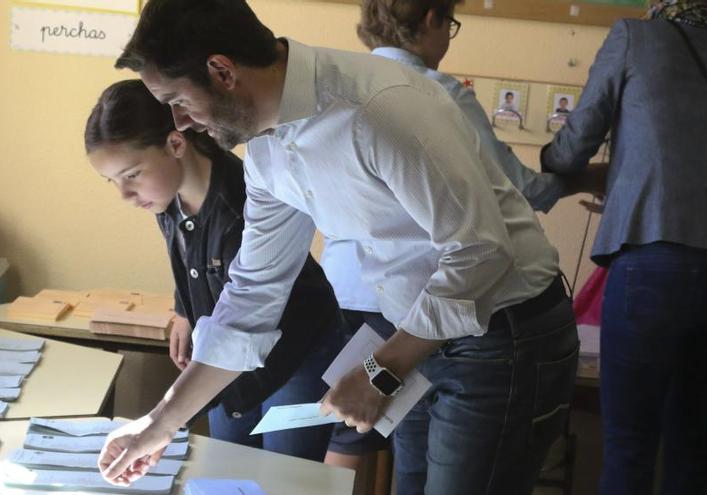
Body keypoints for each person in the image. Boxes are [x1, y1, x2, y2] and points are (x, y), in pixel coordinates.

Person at [96, 1, 579, 494]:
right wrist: (157, 424)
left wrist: (382, 370)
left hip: (505, 334)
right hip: (417, 334)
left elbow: (481, 253)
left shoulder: (375, 106)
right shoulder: (266, 149)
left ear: (222, 71)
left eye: (178, 101)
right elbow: (251, 297)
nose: (180, 123)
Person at [321, 0, 605, 477]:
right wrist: (588, 178)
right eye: (450, 24)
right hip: (450, 313)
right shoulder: (436, 91)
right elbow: (519, 187)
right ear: (432, 18)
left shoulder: (343, 93)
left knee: (384, 455)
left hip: (365, 301)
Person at [541, 1, 707, 494]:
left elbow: (574, 145)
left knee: (630, 443)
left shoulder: (634, 38)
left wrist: (546, 163)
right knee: (693, 438)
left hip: (655, 262)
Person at [84, 79, 342, 461]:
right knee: (228, 467)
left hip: (298, 357)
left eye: (132, 174)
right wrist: (184, 311)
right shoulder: (166, 198)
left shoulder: (244, 200)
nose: (124, 194)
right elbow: (191, 262)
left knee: (285, 476)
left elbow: (252, 298)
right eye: (114, 181)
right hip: (225, 360)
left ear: (175, 144)